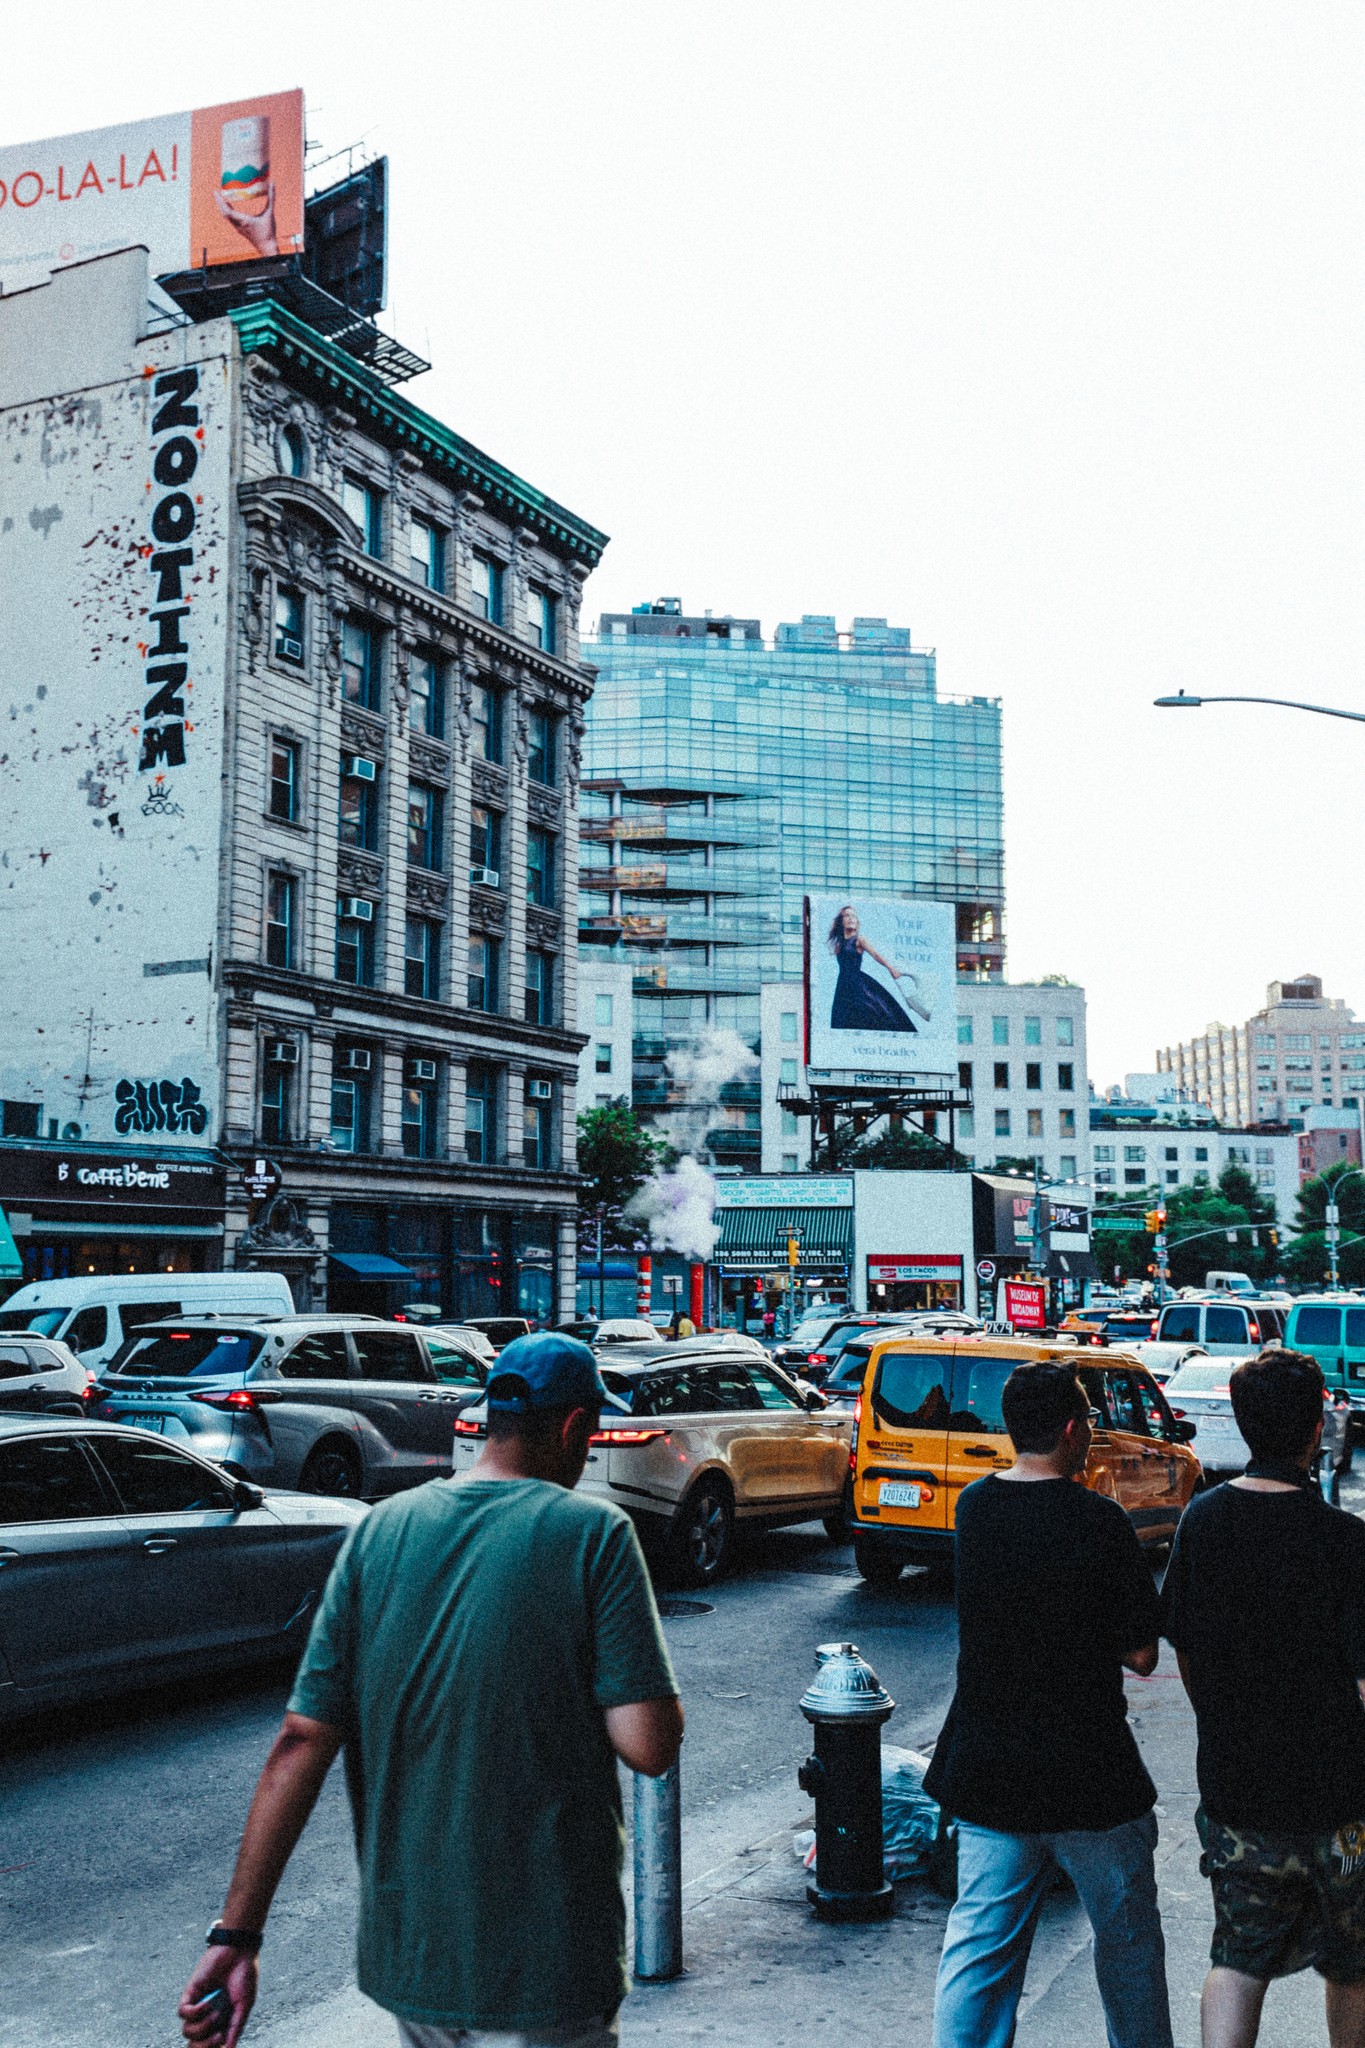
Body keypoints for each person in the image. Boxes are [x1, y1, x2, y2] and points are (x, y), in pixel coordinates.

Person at [177, 1331, 683, 2048]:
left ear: (490, 1420)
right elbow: (649, 1746)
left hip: (413, 1957)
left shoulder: (380, 1531)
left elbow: (300, 1741)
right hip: (547, 1961)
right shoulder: (592, 1533)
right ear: (575, 1428)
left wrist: (237, 1935)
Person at [925, 1360, 1173, 2048]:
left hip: (987, 1768)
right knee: (1127, 1947)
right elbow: (1142, 1654)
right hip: (1089, 1772)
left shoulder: (974, 1507)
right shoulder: (1099, 1522)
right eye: (1089, 1420)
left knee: (978, 1950)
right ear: (1070, 1430)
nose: (1092, 1432)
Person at [1161, 1347, 1365, 2048]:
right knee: (1354, 1962)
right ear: (1315, 1429)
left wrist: (1221, 1723)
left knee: (1237, 1957)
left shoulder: (1201, 1523)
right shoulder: (1346, 1542)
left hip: (1237, 1791)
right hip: (1341, 1808)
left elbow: (1182, 1646)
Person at [826, 905, 929, 1033]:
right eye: (847, 915)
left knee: (873, 1011)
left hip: (858, 983)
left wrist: (891, 969)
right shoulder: (838, 946)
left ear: (857, 922)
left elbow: (876, 955)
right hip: (843, 986)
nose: (851, 918)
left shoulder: (859, 940)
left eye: (854, 916)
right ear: (841, 920)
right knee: (843, 1017)